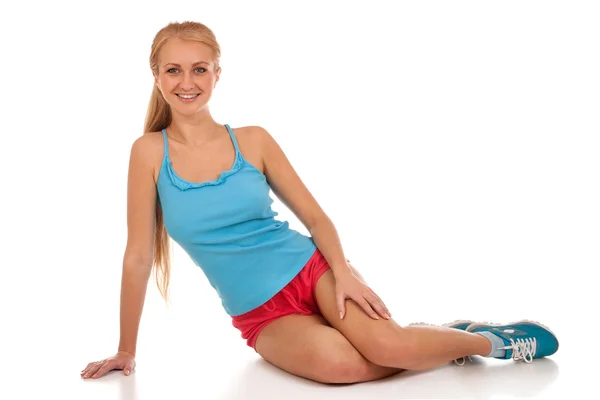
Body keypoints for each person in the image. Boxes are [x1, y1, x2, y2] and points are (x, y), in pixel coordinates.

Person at [80, 21, 559, 384]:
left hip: (315, 269)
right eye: (174, 70)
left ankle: (485, 340)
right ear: (156, 76)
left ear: (217, 74)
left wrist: (344, 273)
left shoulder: (253, 140)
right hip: (261, 312)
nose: (188, 82)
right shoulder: (148, 152)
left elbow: (314, 216)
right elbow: (139, 256)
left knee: (389, 346)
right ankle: (431, 339)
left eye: (199, 69)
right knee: (346, 367)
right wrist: (126, 349)